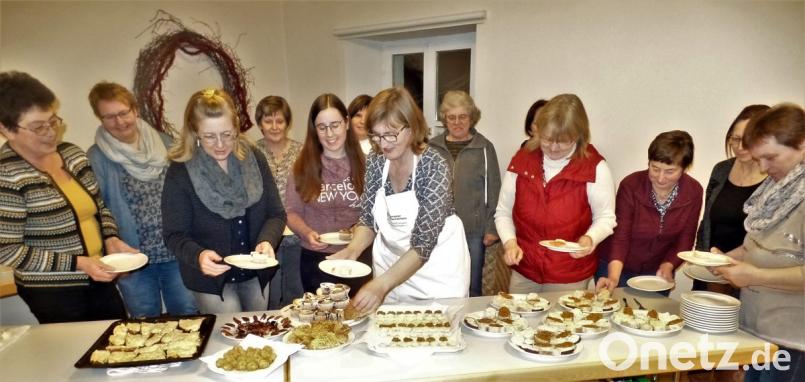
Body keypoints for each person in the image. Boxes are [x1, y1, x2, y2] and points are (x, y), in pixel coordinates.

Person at [0, 71, 135, 323]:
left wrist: (111, 238)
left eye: (53, 121)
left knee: (117, 337)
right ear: (6, 129)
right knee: (77, 357)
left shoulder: (72, 154)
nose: (51, 132)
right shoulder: (7, 175)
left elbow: (99, 207)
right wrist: (79, 263)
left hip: (99, 274)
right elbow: (6, 250)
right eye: (38, 127)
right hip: (52, 291)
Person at [330, 87, 470, 314]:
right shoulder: (376, 160)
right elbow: (368, 219)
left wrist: (381, 284)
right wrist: (353, 250)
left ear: (412, 127)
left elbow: (423, 245)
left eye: (391, 134)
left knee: (436, 332)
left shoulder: (433, 165)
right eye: (376, 135)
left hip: (436, 270)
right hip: (389, 264)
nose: (383, 143)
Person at [161, 88, 285, 313]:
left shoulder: (254, 158)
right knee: (227, 340)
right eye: (209, 136)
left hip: (255, 272)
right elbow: (173, 234)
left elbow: (275, 214)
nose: (220, 144)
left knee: (258, 333)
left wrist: (267, 241)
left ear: (236, 127)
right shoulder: (181, 171)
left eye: (227, 134)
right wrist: (198, 255)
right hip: (211, 280)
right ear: (195, 131)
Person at [86, 82, 197, 318]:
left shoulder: (167, 144)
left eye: (123, 113)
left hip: (175, 252)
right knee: (144, 322)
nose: (119, 122)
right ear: (100, 119)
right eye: (109, 117)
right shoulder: (97, 157)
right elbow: (97, 208)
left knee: (187, 315)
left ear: (135, 110)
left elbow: (188, 193)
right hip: (131, 258)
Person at [712, 103, 804, 382]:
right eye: (758, 158)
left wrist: (754, 275)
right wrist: (730, 258)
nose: (763, 168)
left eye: (770, 157)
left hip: (793, 338)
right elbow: (759, 243)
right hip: (760, 330)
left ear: (801, 144)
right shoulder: (780, 186)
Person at [495, 93, 616, 293]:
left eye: (562, 142)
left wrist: (590, 238)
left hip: (570, 274)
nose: (552, 147)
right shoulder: (522, 159)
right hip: (525, 270)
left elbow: (605, 217)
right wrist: (510, 243)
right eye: (547, 139)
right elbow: (503, 212)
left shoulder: (595, 167)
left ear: (578, 136)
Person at [595, 130, 704, 292]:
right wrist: (613, 277)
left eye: (670, 171)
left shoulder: (693, 191)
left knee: (653, 315)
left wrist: (669, 265)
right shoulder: (631, 185)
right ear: (648, 163)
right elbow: (621, 237)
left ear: (684, 168)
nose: (660, 178)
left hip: (657, 270)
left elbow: (686, 238)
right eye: (655, 168)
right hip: (616, 264)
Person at [285, 93, 369, 295]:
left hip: (358, 256)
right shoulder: (301, 168)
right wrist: (306, 232)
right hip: (317, 258)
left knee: (358, 317)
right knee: (321, 324)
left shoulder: (367, 165)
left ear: (347, 123)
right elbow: (291, 212)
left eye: (335, 125)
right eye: (322, 127)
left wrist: (359, 227)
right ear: (314, 129)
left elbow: (374, 212)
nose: (329, 133)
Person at [693, 105, 769, 297]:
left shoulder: (774, 178)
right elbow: (707, 221)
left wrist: (728, 261)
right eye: (735, 139)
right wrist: (701, 259)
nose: (739, 147)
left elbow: (766, 238)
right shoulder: (721, 170)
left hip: (748, 277)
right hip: (711, 272)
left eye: (747, 140)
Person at [430, 90, 500, 297]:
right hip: (437, 230)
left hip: (473, 230)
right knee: (440, 281)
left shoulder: (485, 148)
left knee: (472, 285)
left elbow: (494, 188)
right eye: (452, 117)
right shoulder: (432, 147)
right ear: (444, 119)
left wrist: (492, 227)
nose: (457, 122)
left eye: (463, 117)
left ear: (471, 118)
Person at [253, 95, 304, 308]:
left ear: (287, 123)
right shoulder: (251, 153)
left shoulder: (302, 152)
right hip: (265, 235)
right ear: (260, 124)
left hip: (297, 235)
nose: (274, 127)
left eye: (280, 121)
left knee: (296, 292)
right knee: (269, 294)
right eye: (268, 121)